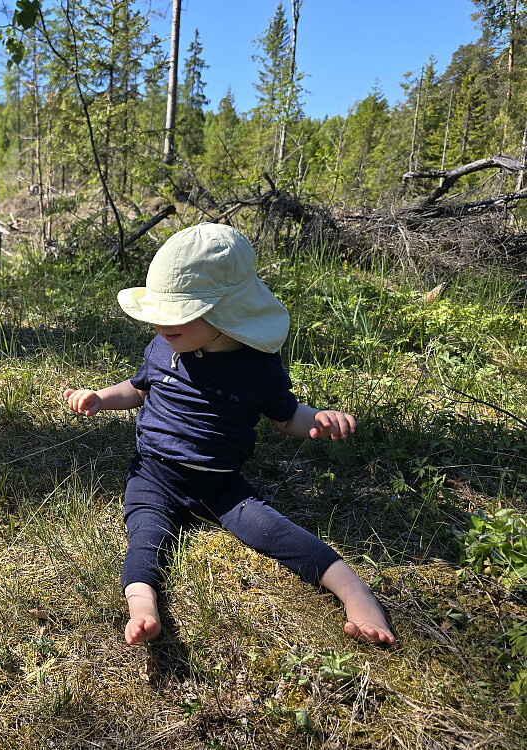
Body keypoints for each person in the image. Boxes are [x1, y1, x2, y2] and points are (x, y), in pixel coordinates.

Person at [63, 223, 397, 648]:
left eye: (177, 316)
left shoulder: (257, 368)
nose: (162, 326)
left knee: (273, 530)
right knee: (146, 536)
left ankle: (353, 590)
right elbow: (138, 388)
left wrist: (318, 419)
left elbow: (286, 416)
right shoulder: (163, 346)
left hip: (222, 484)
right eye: (159, 316)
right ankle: (142, 607)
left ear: (226, 311)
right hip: (152, 475)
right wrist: (101, 397)